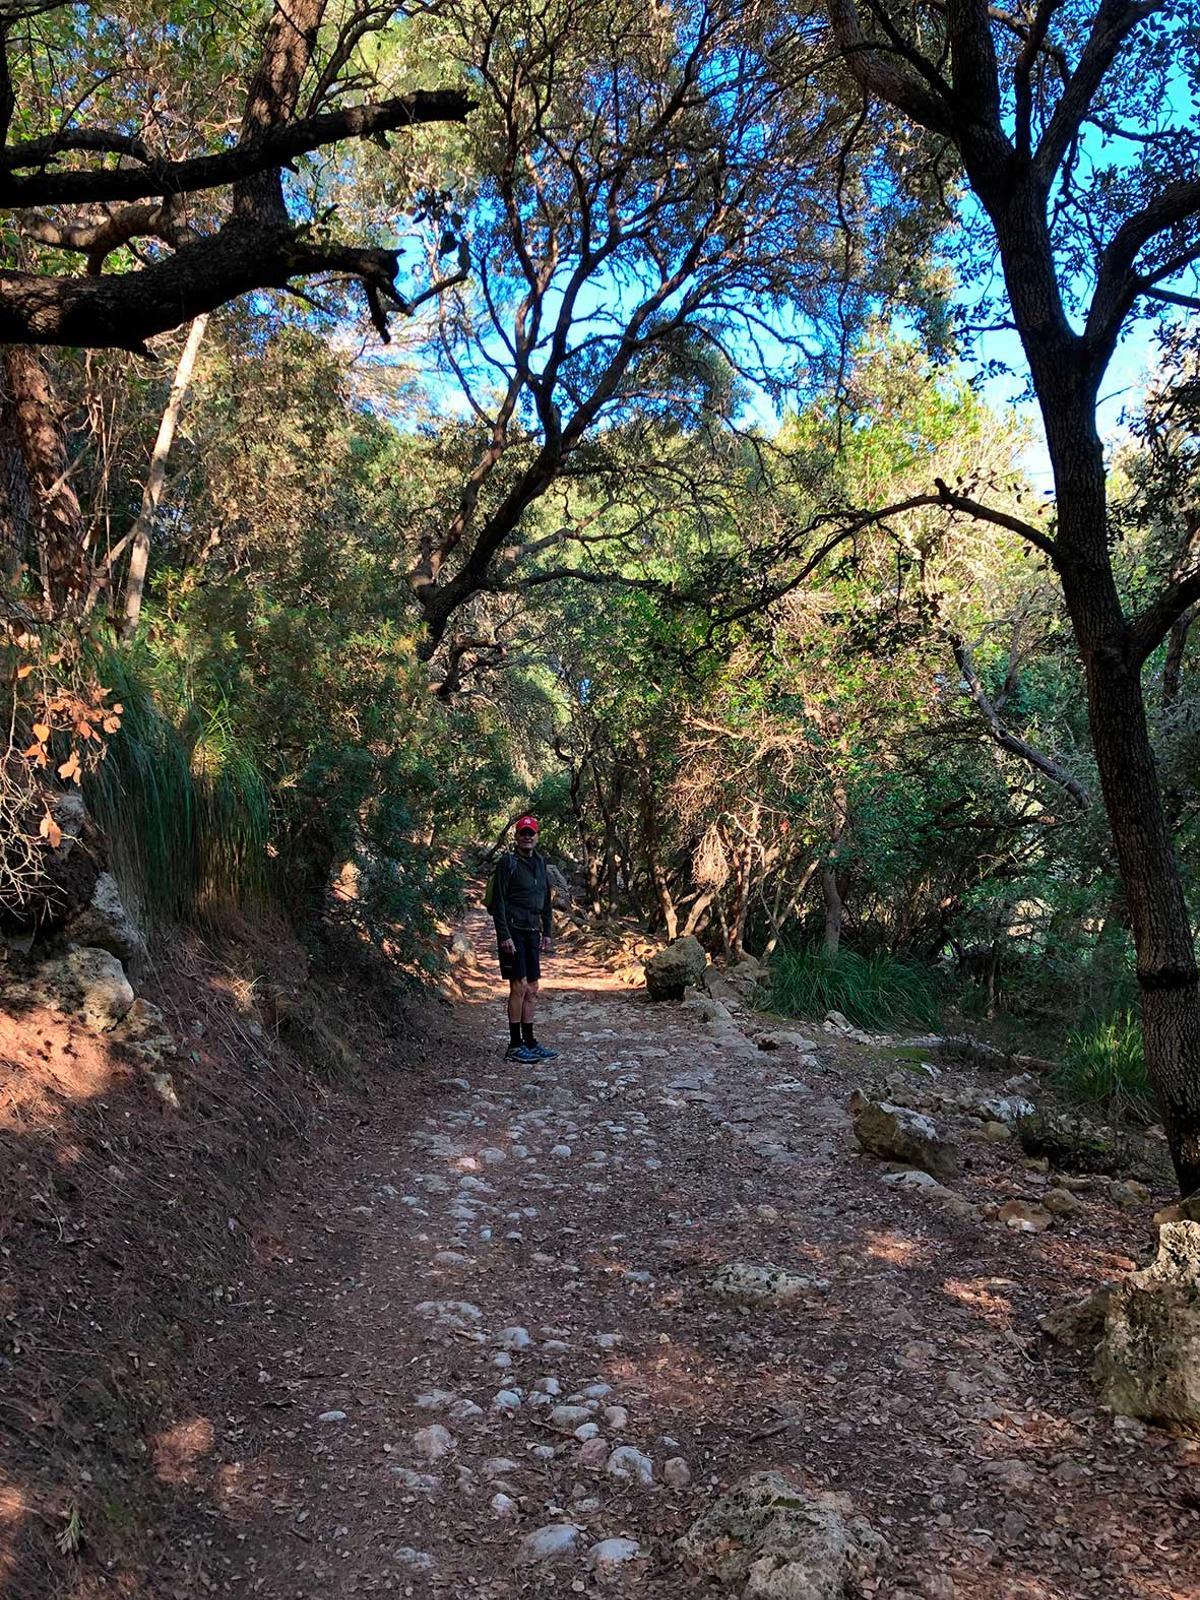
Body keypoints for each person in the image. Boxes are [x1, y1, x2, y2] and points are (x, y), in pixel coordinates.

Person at [491, 815, 559, 1063]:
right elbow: (498, 901)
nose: (527, 837)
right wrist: (504, 935)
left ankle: (530, 1042)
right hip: (514, 931)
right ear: (516, 836)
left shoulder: (540, 863)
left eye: (531, 833)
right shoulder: (507, 863)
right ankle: (514, 1045)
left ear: (537, 837)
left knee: (532, 988)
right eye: (523, 833)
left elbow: (546, 900)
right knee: (518, 986)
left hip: (532, 932)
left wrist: (547, 932)